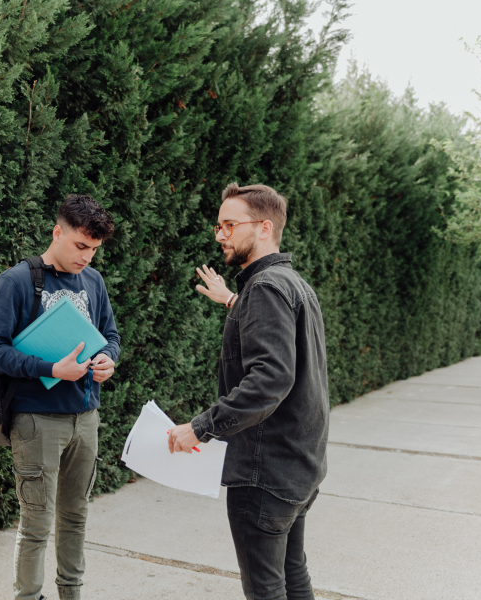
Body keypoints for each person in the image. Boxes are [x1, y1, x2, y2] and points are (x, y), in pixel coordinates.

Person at [168, 183, 330, 600]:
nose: (219, 234)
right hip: (298, 467)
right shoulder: (291, 284)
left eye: (229, 225)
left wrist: (201, 427)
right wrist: (233, 302)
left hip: (266, 472)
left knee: (266, 590)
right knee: (293, 577)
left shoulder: (265, 289)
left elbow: (270, 379)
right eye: (218, 226)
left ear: (263, 227)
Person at [0, 194, 121, 600]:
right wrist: (51, 370)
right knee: (36, 525)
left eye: (95, 250)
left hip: (86, 416)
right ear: (57, 232)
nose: (88, 258)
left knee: (76, 517)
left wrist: (107, 361)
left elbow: (111, 337)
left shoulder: (93, 281)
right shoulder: (16, 281)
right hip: (36, 420)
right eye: (81, 246)